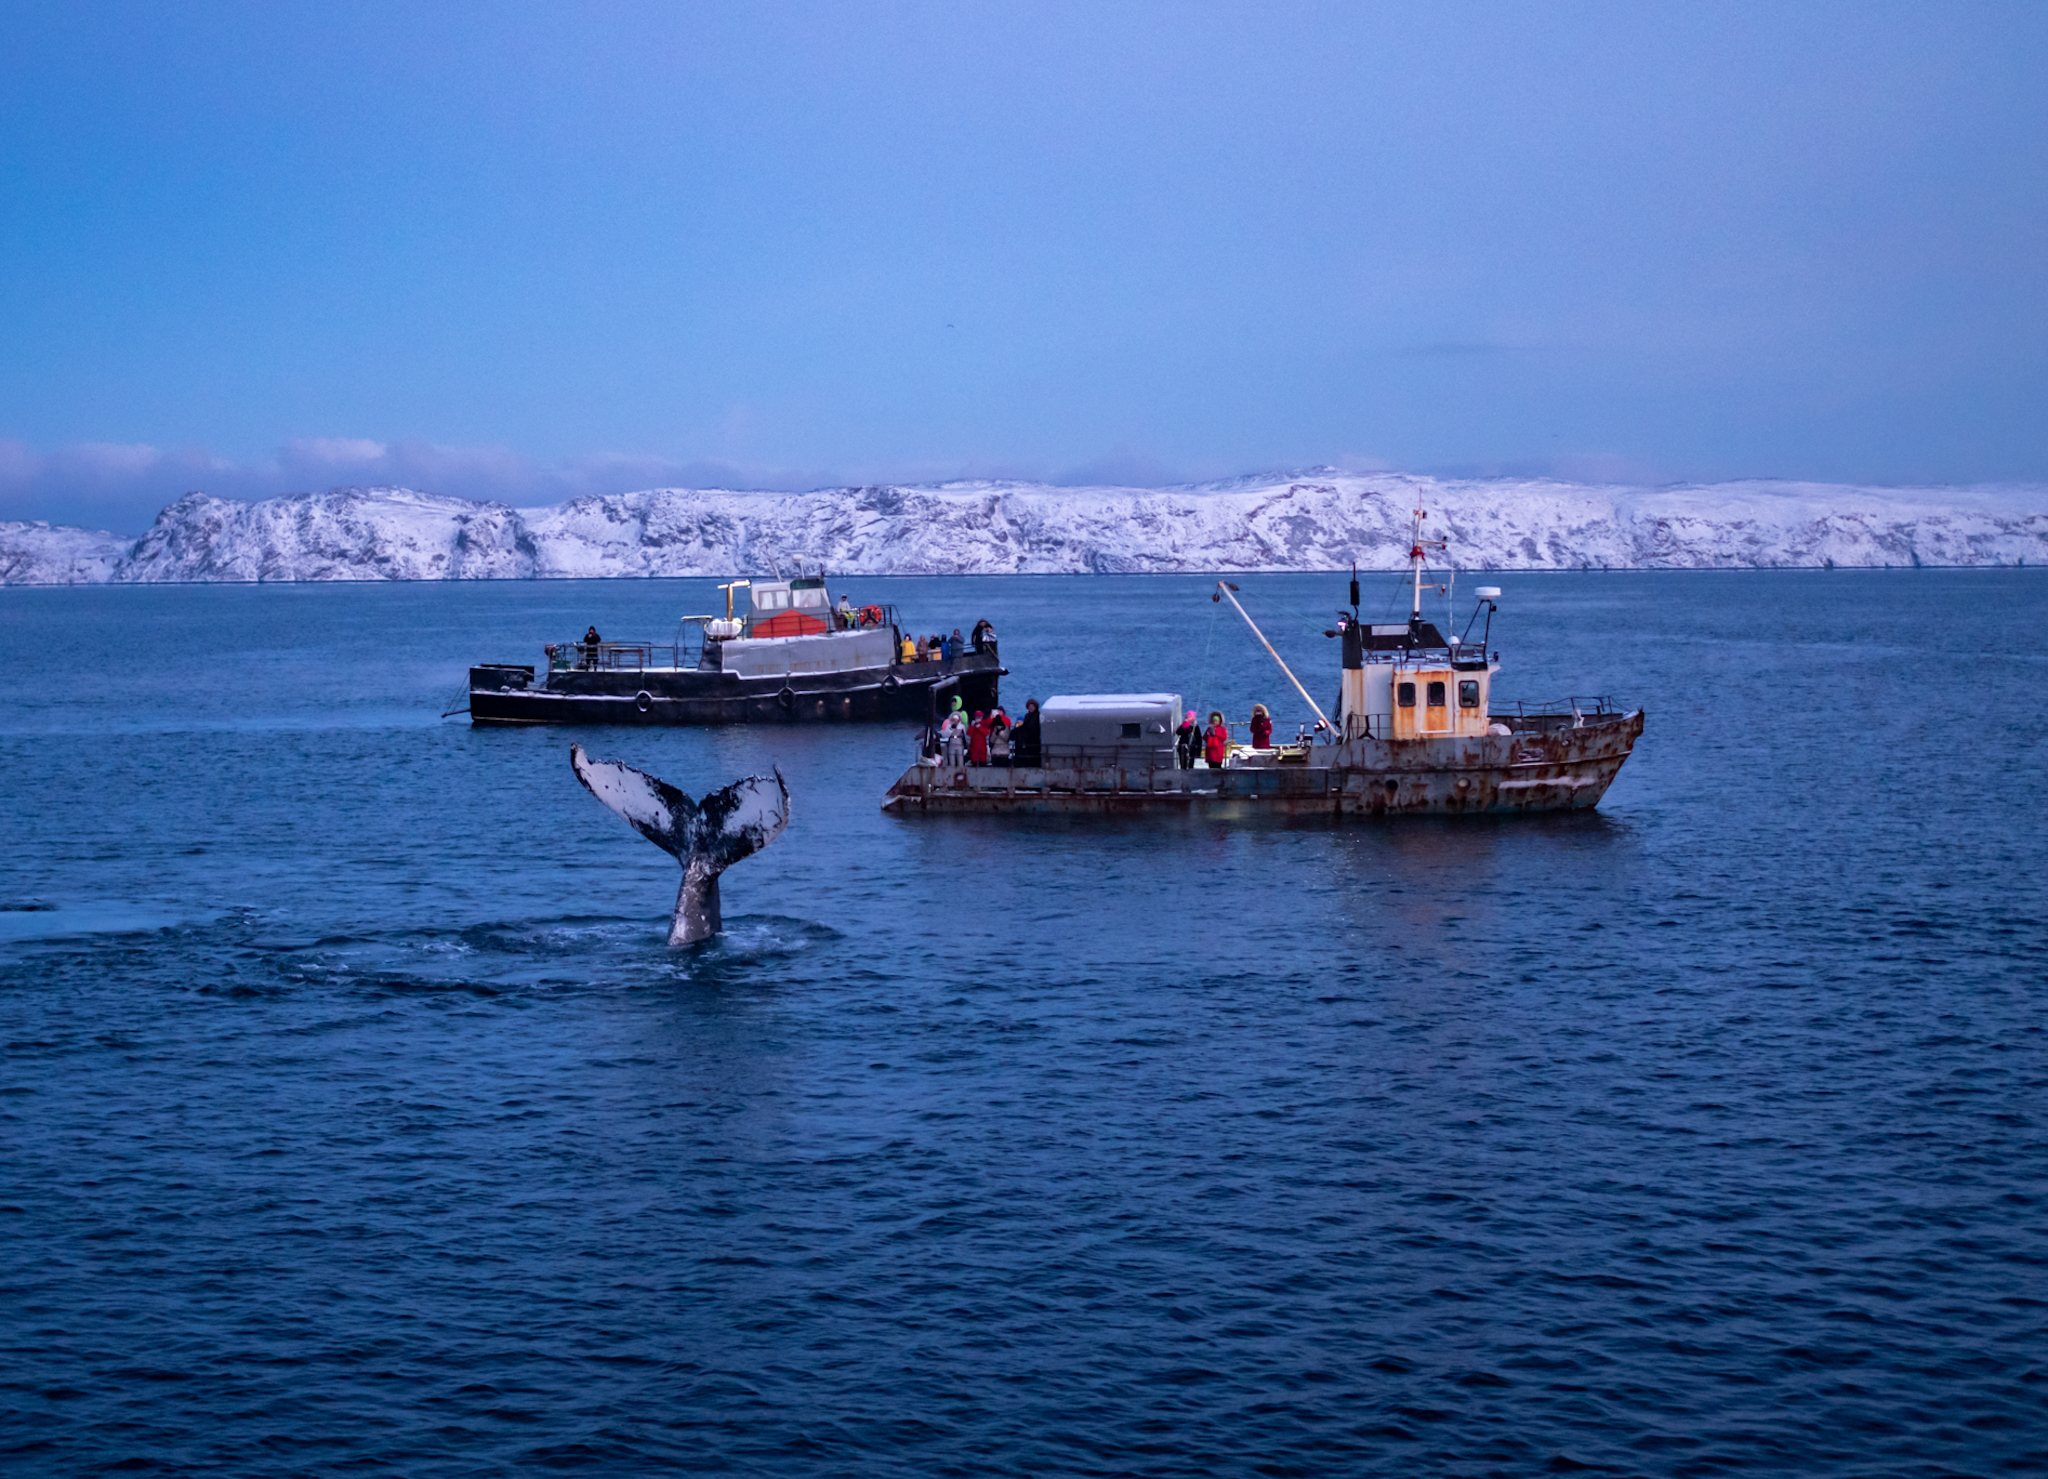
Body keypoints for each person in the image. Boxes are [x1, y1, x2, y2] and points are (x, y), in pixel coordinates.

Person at [1012, 698, 1042, 768]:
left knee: (1034, 755)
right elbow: (1024, 727)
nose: (1031, 708)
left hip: (1035, 739)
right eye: (1029, 706)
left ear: (1035, 707)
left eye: (1032, 706)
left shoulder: (1038, 715)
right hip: (1027, 740)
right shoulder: (1027, 716)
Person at [940, 697, 968, 766]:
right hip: (951, 744)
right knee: (951, 761)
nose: (955, 720)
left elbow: (964, 736)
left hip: (959, 744)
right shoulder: (949, 726)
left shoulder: (961, 726)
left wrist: (965, 746)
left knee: (960, 761)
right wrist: (951, 729)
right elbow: (946, 735)